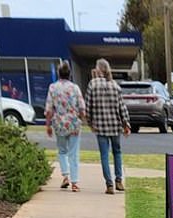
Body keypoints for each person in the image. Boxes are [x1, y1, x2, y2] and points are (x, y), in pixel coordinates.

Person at [85, 58, 131, 195]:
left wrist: (90, 123)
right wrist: (126, 124)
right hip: (115, 126)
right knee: (117, 152)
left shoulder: (92, 85)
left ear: (98, 69)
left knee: (104, 155)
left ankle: (109, 184)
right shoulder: (115, 86)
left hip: (100, 126)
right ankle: (119, 180)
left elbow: (88, 107)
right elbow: (122, 107)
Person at [45, 61, 86, 192]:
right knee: (73, 153)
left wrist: (48, 125)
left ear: (59, 73)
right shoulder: (75, 88)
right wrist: (81, 119)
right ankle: (74, 182)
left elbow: (49, 108)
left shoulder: (53, 88)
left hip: (59, 124)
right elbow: (82, 107)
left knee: (62, 151)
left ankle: (65, 176)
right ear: (70, 74)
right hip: (73, 123)